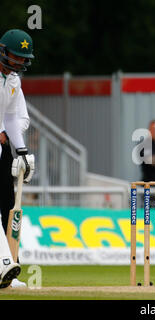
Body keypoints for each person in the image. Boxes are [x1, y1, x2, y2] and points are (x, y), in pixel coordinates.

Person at [0, 29, 36, 289]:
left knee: (5, 204)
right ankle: (3, 263)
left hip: (2, 149)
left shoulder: (12, 80)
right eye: (16, 56)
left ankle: (6, 269)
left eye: (24, 58)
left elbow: (12, 118)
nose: (20, 63)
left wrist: (22, 151)